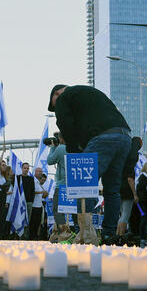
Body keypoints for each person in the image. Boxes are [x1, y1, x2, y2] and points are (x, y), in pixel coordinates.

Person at [48, 84, 131, 241]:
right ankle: (108, 233)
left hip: (102, 138)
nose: (55, 107)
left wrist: (74, 149)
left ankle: (85, 232)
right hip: (124, 136)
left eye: (53, 104)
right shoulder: (90, 93)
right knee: (112, 190)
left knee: (84, 187)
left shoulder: (63, 97)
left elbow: (65, 123)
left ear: (57, 93)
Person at [47, 132, 74, 243]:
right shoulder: (74, 147)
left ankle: (63, 232)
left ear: (61, 139)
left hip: (62, 185)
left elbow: (50, 161)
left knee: (57, 209)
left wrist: (53, 147)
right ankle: (75, 231)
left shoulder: (61, 148)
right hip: (74, 185)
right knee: (73, 210)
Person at [117, 137, 142, 236]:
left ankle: (117, 235)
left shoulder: (123, 155)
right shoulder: (132, 160)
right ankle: (121, 235)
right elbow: (130, 179)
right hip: (127, 190)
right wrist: (135, 194)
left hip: (119, 188)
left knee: (121, 214)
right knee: (126, 215)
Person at [17, 162, 35, 239]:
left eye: (27, 168)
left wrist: (30, 201)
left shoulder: (31, 179)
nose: (26, 170)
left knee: (28, 220)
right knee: (19, 219)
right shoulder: (18, 178)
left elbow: (32, 191)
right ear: (22, 168)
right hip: (20, 203)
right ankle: (18, 235)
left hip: (28, 203)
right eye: (25, 168)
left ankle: (25, 236)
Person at [136, 162, 147, 245]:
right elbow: (142, 191)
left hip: (143, 202)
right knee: (143, 220)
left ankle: (143, 236)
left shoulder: (142, 177)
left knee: (144, 220)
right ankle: (143, 236)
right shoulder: (143, 178)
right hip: (143, 203)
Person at [30, 167, 48, 240]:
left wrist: (44, 194)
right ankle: (31, 237)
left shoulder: (38, 183)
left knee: (38, 223)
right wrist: (41, 192)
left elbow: (42, 195)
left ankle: (35, 237)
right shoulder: (33, 181)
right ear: (35, 172)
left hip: (39, 205)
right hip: (34, 205)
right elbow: (32, 191)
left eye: (41, 171)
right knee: (33, 223)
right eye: (39, 171)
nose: (41, 173)